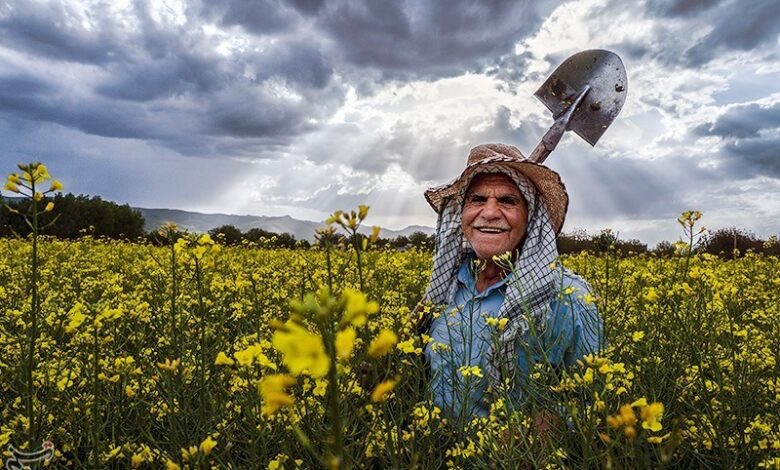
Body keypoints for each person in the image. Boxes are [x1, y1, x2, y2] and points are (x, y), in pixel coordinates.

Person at [417, 143, 603, 419]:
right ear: (461, 213)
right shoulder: (446, 287)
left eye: (508, 201)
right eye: (478, 199)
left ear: (530, 219)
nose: (490, 213)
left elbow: (594, 402)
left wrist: (533, 437)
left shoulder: (569, 298)